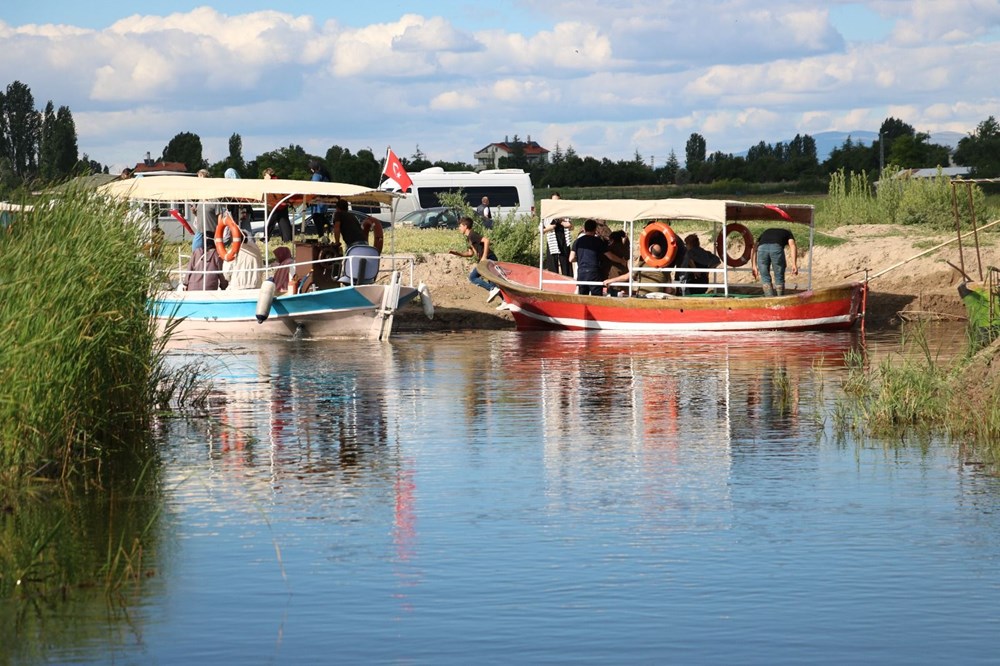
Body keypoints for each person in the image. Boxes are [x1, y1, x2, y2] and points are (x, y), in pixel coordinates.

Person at [449, 216, 500, 302]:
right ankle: (505, 300)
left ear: (465, 226)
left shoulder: (472, 235)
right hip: (487, 258)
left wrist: (484, 257)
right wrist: (457, 253)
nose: (459, 228)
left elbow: (487, 240)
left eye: (460, 226)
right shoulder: (468, 238)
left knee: (473, 277)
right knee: (492, 282)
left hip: (489, 258)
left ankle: (491, 289)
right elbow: (470, 253)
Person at [570, 218, 621, 296]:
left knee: (583, 299)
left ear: (584, 229)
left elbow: (571, 258)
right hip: (594, 273)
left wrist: (580, 259)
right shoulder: (598, 241)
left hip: (582, 273)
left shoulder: (577, 241)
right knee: (596, 299)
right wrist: (621, 261)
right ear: (595, 229)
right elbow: (610, 256)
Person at [603, 243, 671, 297]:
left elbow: (627, 277)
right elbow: (668, 290)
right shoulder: (665, 267)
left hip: (643, 296)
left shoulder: (642, 264)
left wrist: (610, 280)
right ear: (661, 254)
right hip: (658, 297)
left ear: (649, 252)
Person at [751, 227, 798, 296]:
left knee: (765, 277)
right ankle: (780, 299)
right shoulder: (788, 232)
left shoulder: (766, 231)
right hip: (776, 248)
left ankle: (769, 299)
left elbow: (754, 247)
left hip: (762, 249)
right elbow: (792, 245)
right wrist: (794, 264)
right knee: (779, 276)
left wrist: (754, 266)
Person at [539, 193, 572, 275]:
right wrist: (550, 227)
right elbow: (541, 230)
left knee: (565, 262)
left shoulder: (565, 213)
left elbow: (571, 226)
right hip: (552, 241)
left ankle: (568, 280)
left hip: (564, 239)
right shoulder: (547, 213)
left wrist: (561, 221)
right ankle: (553, 280)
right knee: (552, 263)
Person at [262, 167, 293, 241]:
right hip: (283, 206)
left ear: (267, 175)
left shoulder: (269, 183)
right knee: (285, 225)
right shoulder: (279, 181)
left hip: (273, 206)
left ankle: (265, 239)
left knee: (269, 224)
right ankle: (287, 240)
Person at [308, 159, 332, 235]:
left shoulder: (316, 176)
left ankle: (322, 234)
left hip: (317, 202)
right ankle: (329, 229)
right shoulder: (325, 176)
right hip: (325, 201)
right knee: (322, 218)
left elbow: (313, 187)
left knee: (317, 218)